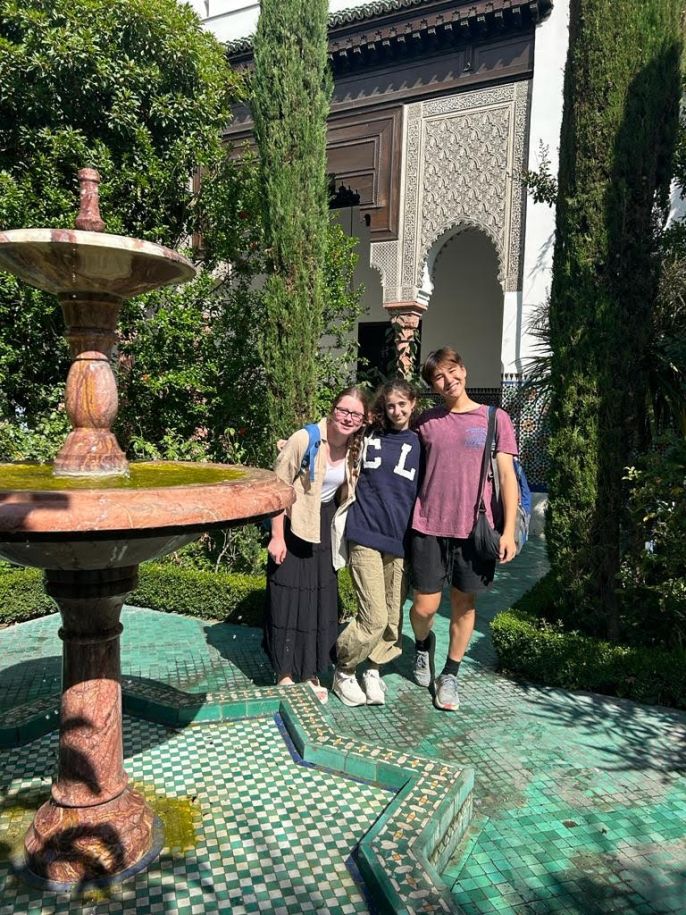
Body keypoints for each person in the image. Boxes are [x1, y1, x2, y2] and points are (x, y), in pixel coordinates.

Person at [410, 347, 519, 711]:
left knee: (464, 603)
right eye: (439, 377)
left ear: (464, 370)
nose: (448, 380)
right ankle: (423, 645)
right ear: (433, 386)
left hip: (474, 528)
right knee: (424, 608)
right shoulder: (425, 422)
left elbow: (507, 476)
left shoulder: (494, 419)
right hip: (427, 524)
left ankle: (450, 675)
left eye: (452, 371)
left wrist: (508, 531)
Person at [263, 387, 368, 701]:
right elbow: (277, 489)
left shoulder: (354, 448)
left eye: (356, 414)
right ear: (333, 409)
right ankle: (283, 673)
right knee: (286, 600)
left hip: (324, 525)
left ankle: (309, 672)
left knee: (319, 604)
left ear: (363, 420)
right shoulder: (304, 439)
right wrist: (277, 536)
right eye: (343, 410)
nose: (348, 418)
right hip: (294, 522)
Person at [332, 380, 421, 707]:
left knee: (392, 618)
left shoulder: (419, 442)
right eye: (390, 406)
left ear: (412, 402)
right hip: (365, 533)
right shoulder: (368, 436)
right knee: (373, 617)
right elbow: (336, 436)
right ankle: (343, 667)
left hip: (398, 542)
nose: (396, 411)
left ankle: (374, 669)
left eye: (402, 404)